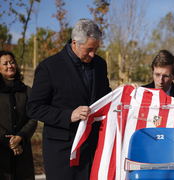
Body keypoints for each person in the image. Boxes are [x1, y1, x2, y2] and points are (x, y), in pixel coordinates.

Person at [26, 18, 112, 180]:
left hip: (93, 148)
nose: (93, 54)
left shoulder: (100, 64)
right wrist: (68, 115)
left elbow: (106, 96)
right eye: (89, 49)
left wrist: (126, 92)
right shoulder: (49, 67)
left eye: (96, 49)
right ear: (74, 43)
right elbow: (34, 107)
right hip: (61, 151)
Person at [0, 50, 37, 180]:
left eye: (12, 62)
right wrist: (10, 142)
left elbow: (33, 118)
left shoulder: (27, 91)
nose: (10, 66)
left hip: (23, 151)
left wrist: (20, 137)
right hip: (2, 152)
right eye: (5, 63)